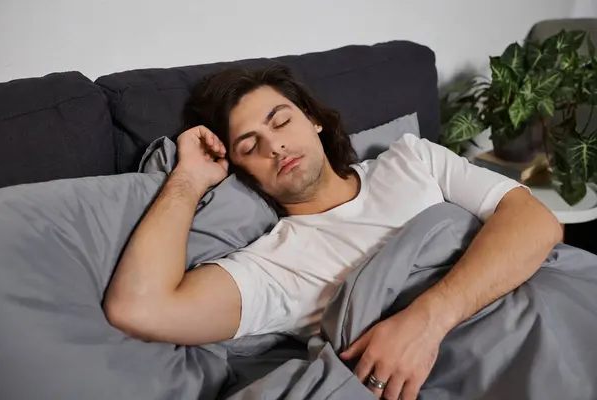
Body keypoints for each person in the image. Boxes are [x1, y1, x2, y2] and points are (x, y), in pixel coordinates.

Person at [103, 65, 562, 400]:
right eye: (250, 145)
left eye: (280, 121)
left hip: (549, 310)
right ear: (240, 170)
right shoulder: (276, 264)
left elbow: (536, 221)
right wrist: (188, 178)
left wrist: (427, 320)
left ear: (313, 119)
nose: (275, 145)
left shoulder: (410, 159)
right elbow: (140, 307)